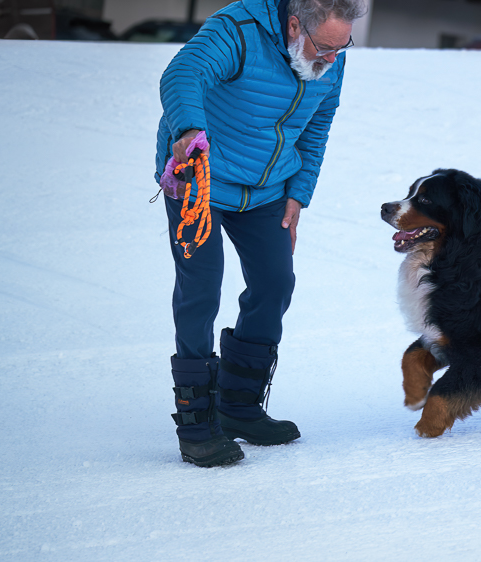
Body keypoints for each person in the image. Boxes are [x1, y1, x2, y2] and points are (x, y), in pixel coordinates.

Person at [154, 0, 366, 467]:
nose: (333, 58)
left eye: (342, 46)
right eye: (325, 47)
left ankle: (238, 406)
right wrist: (189, 131)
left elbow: (318, 124)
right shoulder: (239, 29)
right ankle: (196, 423)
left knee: (275, 283)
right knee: (202, 289)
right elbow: (182, 73)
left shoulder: (331, 52)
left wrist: (299, 193)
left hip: (268, 189)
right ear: (294, 25)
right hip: (202, 179)